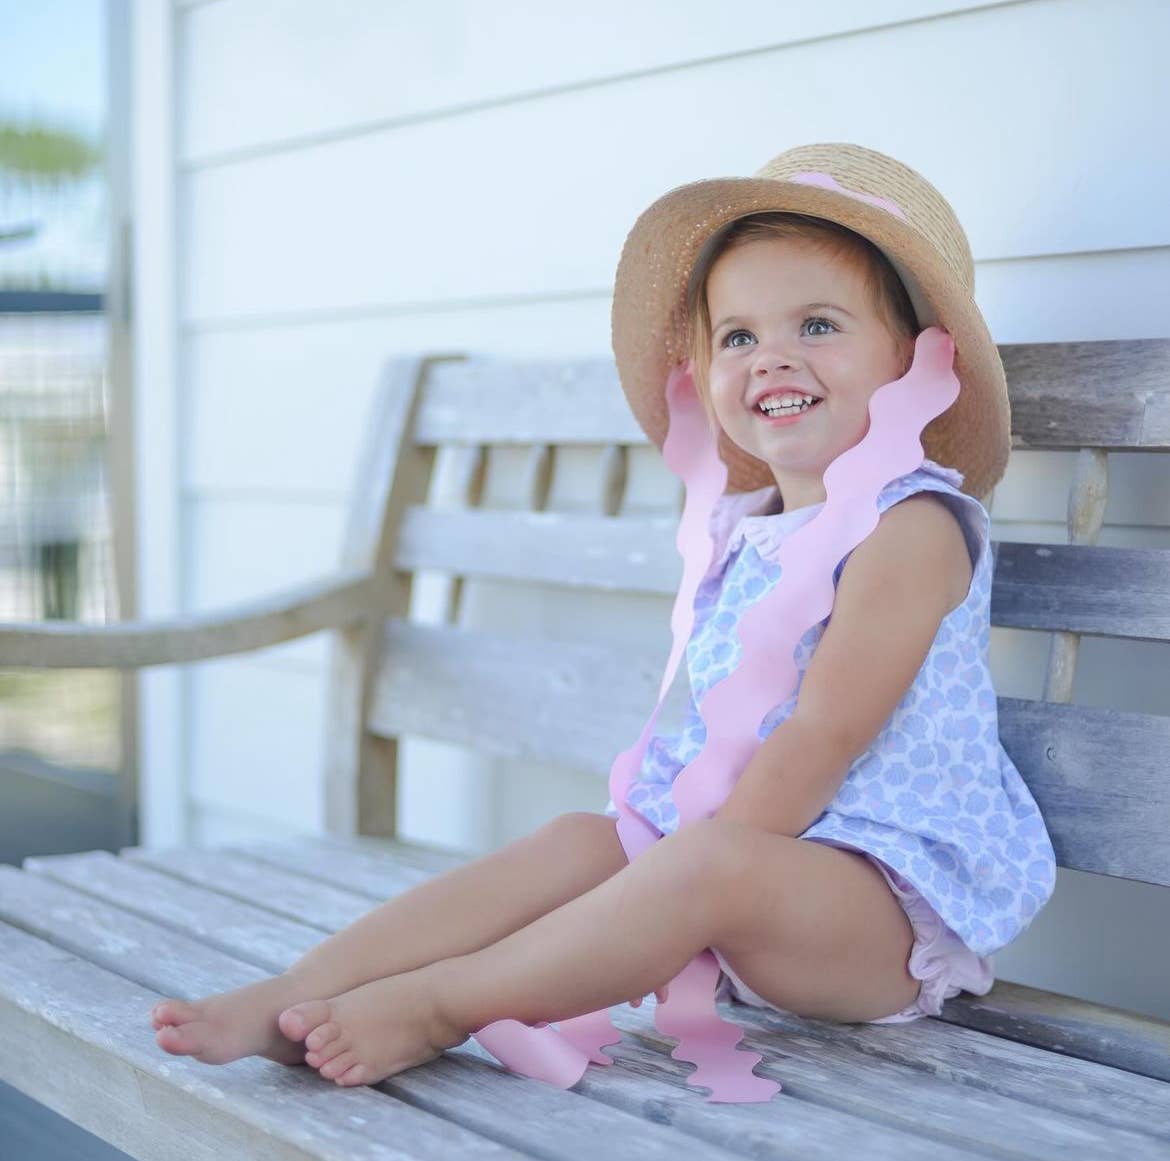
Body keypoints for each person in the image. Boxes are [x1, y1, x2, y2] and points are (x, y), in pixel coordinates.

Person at [150, 142, 1057, 1091]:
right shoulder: (750, 528)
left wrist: (668, 886)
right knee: (578, 841)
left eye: (818, 324)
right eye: (737, 337)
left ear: (914, 359)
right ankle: (298, 991)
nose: (773, 356)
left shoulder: (913, 525)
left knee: (701, 863)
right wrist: (642, 875)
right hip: (740, 871)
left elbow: (825, 733)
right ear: (706, 371)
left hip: (870, 915)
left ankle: (439, 1003)